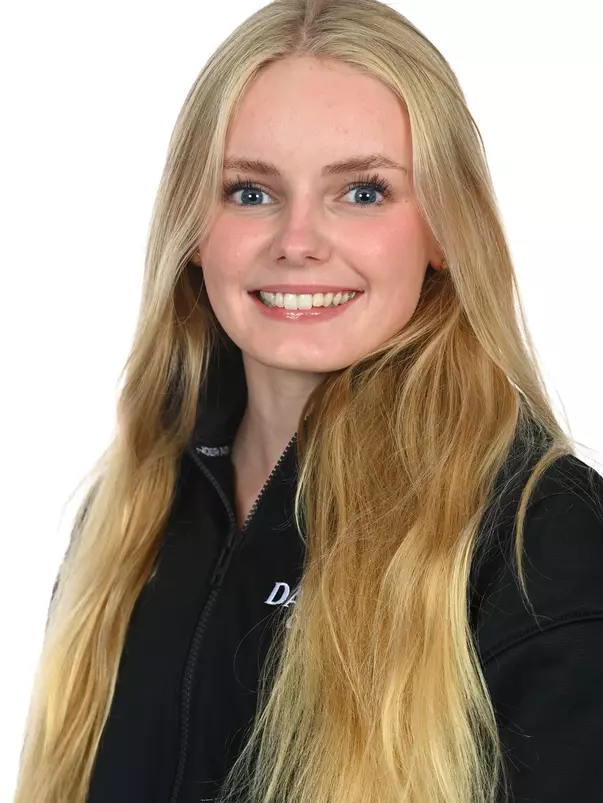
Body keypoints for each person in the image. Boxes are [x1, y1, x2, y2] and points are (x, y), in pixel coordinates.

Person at [13, 0, 603, 802]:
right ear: (192, 228)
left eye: (361, 192)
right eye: (249, 192)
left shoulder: (539, 531)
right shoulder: (130, 514)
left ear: (442, 230)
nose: (296, 240)